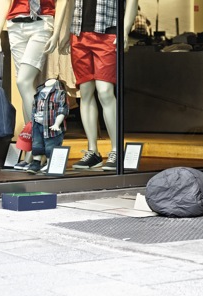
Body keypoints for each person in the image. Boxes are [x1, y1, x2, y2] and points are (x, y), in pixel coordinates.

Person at [60, 0, 138, 171]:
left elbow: (132, 1)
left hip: (108, 33)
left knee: (105, 92)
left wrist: (125, 30)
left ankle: (117, 150)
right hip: (79, 34)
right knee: (86, 93)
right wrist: (66, 32)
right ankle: (92, 151)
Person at [0, 0, 68, 170]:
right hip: (15, 25)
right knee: (25, 88)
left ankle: (38, 149)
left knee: (24, 82)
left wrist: (56, 32)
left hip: (41, 23)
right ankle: (33, 150)